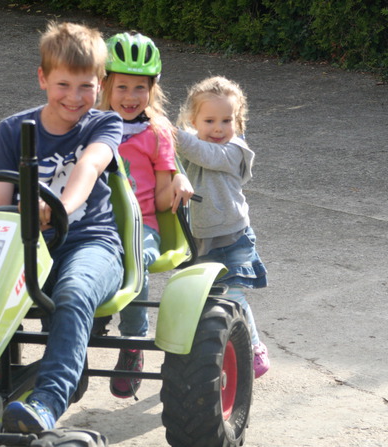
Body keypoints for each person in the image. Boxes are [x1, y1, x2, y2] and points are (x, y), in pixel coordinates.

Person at [0, 21, 125, 433]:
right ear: (43, 78)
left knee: (74, 290)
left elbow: (88, 166)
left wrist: (58, 206)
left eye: (86, 86)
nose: (75, 97)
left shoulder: (103, 125)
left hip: (91, 243)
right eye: (64, 84)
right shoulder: (13, 130)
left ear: (100, 84)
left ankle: (47, 400)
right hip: (28, 245)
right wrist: (21, 210)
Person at [98, 32, 194, 398]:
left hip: (143, 227)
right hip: (96, 223)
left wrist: (178, 178)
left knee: (132, 253)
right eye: (122, 87)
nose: (131, 97)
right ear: (105, 85)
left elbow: (161, 192)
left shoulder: (157, 134)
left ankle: (134, 340)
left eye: (140, 88)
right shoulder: (89, 125)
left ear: (152, 90)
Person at [176, 75, 270, 378]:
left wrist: (167, 132)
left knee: (232, 295)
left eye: (227, 120)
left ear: (238, 122)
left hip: (231, 237)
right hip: (196, 239)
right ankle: (209, 351)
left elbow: (202, 153)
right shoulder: (189, 146)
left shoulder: (233, 151)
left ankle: (254, 346)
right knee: (201, 302)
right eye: (210, 120)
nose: (218, 128)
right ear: (194, 120)